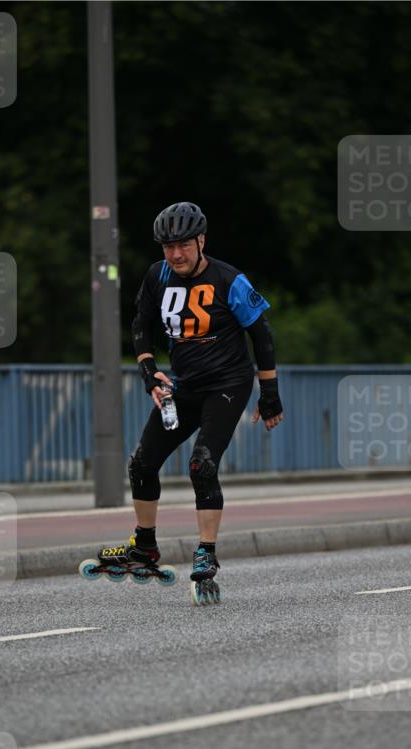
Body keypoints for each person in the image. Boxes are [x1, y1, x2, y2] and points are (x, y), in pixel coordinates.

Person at [102, 201, 283, 605]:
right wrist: (148, 370)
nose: (176, 254)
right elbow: (141, 324)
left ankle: (206, 553)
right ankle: (144, 546)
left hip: (227, 384)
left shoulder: (229, 280)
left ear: (202, 240)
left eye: (183, 244)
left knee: (201, 464)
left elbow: (262, 335)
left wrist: (269, 393)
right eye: (168, 246)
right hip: (184, 387)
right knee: (141, 464)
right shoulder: (158, 275)